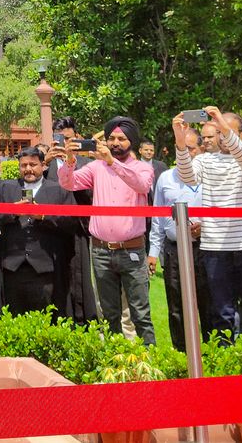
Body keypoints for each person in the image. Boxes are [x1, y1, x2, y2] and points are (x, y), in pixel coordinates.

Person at [173, 107, 242, 344]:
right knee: (221, 314)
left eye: (226, 131)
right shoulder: (206, 160)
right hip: (216, 248)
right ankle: (226, 370)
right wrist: (180, 140)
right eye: (217, 131)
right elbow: (187, 176)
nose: (222, 136)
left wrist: (222, 125)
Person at [57, 116, 157, 345]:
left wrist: (112, 162)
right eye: (111, 138)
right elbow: (68, 183)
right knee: (109, 314)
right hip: (101, 251)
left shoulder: (142, 168)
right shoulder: (96, 167)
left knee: (140, 314)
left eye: (121, 138)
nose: (115, 142)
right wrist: (70, 160)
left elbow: (141, 185)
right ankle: (115, 362)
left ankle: (152, 365)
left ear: (131, 141)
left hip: (131, 251)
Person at [0, 147, 80, 318]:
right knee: (14, 318)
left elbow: (72, 222)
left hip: (47, 267)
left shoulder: (59, 190)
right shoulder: (5, 187)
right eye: (23, 165)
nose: (28, 169)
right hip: (13, 267)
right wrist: (12, 212)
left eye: (33, 164)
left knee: (47, 317)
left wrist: (43, 216)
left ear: (43, 165)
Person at [147, 128, 210, 351]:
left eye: (190, 147)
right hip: (174, 250)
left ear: (201, 149)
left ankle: (212, 354)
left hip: (205, 248)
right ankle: (181, 354)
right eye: (180, 147)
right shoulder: (165, 178)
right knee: (177, 305)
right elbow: (158, 218)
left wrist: (206, 228)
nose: (184, 152)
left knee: (208, 303)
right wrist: (153, 252)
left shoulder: (210, 176)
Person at [46, 117, 98, 325]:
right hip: (51, 228)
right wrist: (46, 162)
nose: (64, 143)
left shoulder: (87, 164)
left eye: (67, 138)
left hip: (79, 227)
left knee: (80, 277)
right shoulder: (45, 164)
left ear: (76, 137)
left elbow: (91, 194)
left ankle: (85, 320)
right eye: (59, 139)